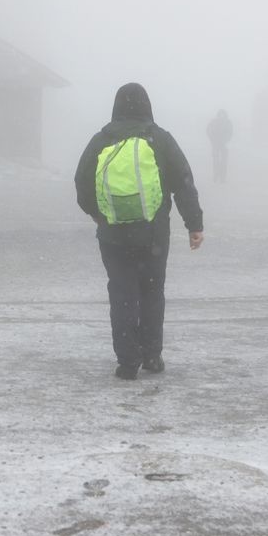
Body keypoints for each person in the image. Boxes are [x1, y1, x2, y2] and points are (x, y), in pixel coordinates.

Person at [75, 83, 205, 380]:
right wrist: (194, 224)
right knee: (151, 292)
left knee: (122, 293)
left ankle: (127, 361)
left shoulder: (101, 140)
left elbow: (82, 183)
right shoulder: (159, 139)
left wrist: (98, 214)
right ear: (147, 106)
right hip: (154, 235)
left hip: (113, 235)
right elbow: (183, 183)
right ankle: (152, 355)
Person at [207, 109, 234, 184]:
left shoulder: (228, 123)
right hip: (215, 144)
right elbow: (208, 130)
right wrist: (212, 139)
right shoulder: (214, 122)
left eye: (223, 115)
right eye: (220, 115)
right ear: (218, 115)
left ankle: (222, 177)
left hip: (223, 145)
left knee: (224, 162)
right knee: (215, 161)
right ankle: (216, 175)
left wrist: (226, 140)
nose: (221, 116)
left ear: (225, 115)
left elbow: (230, 132)